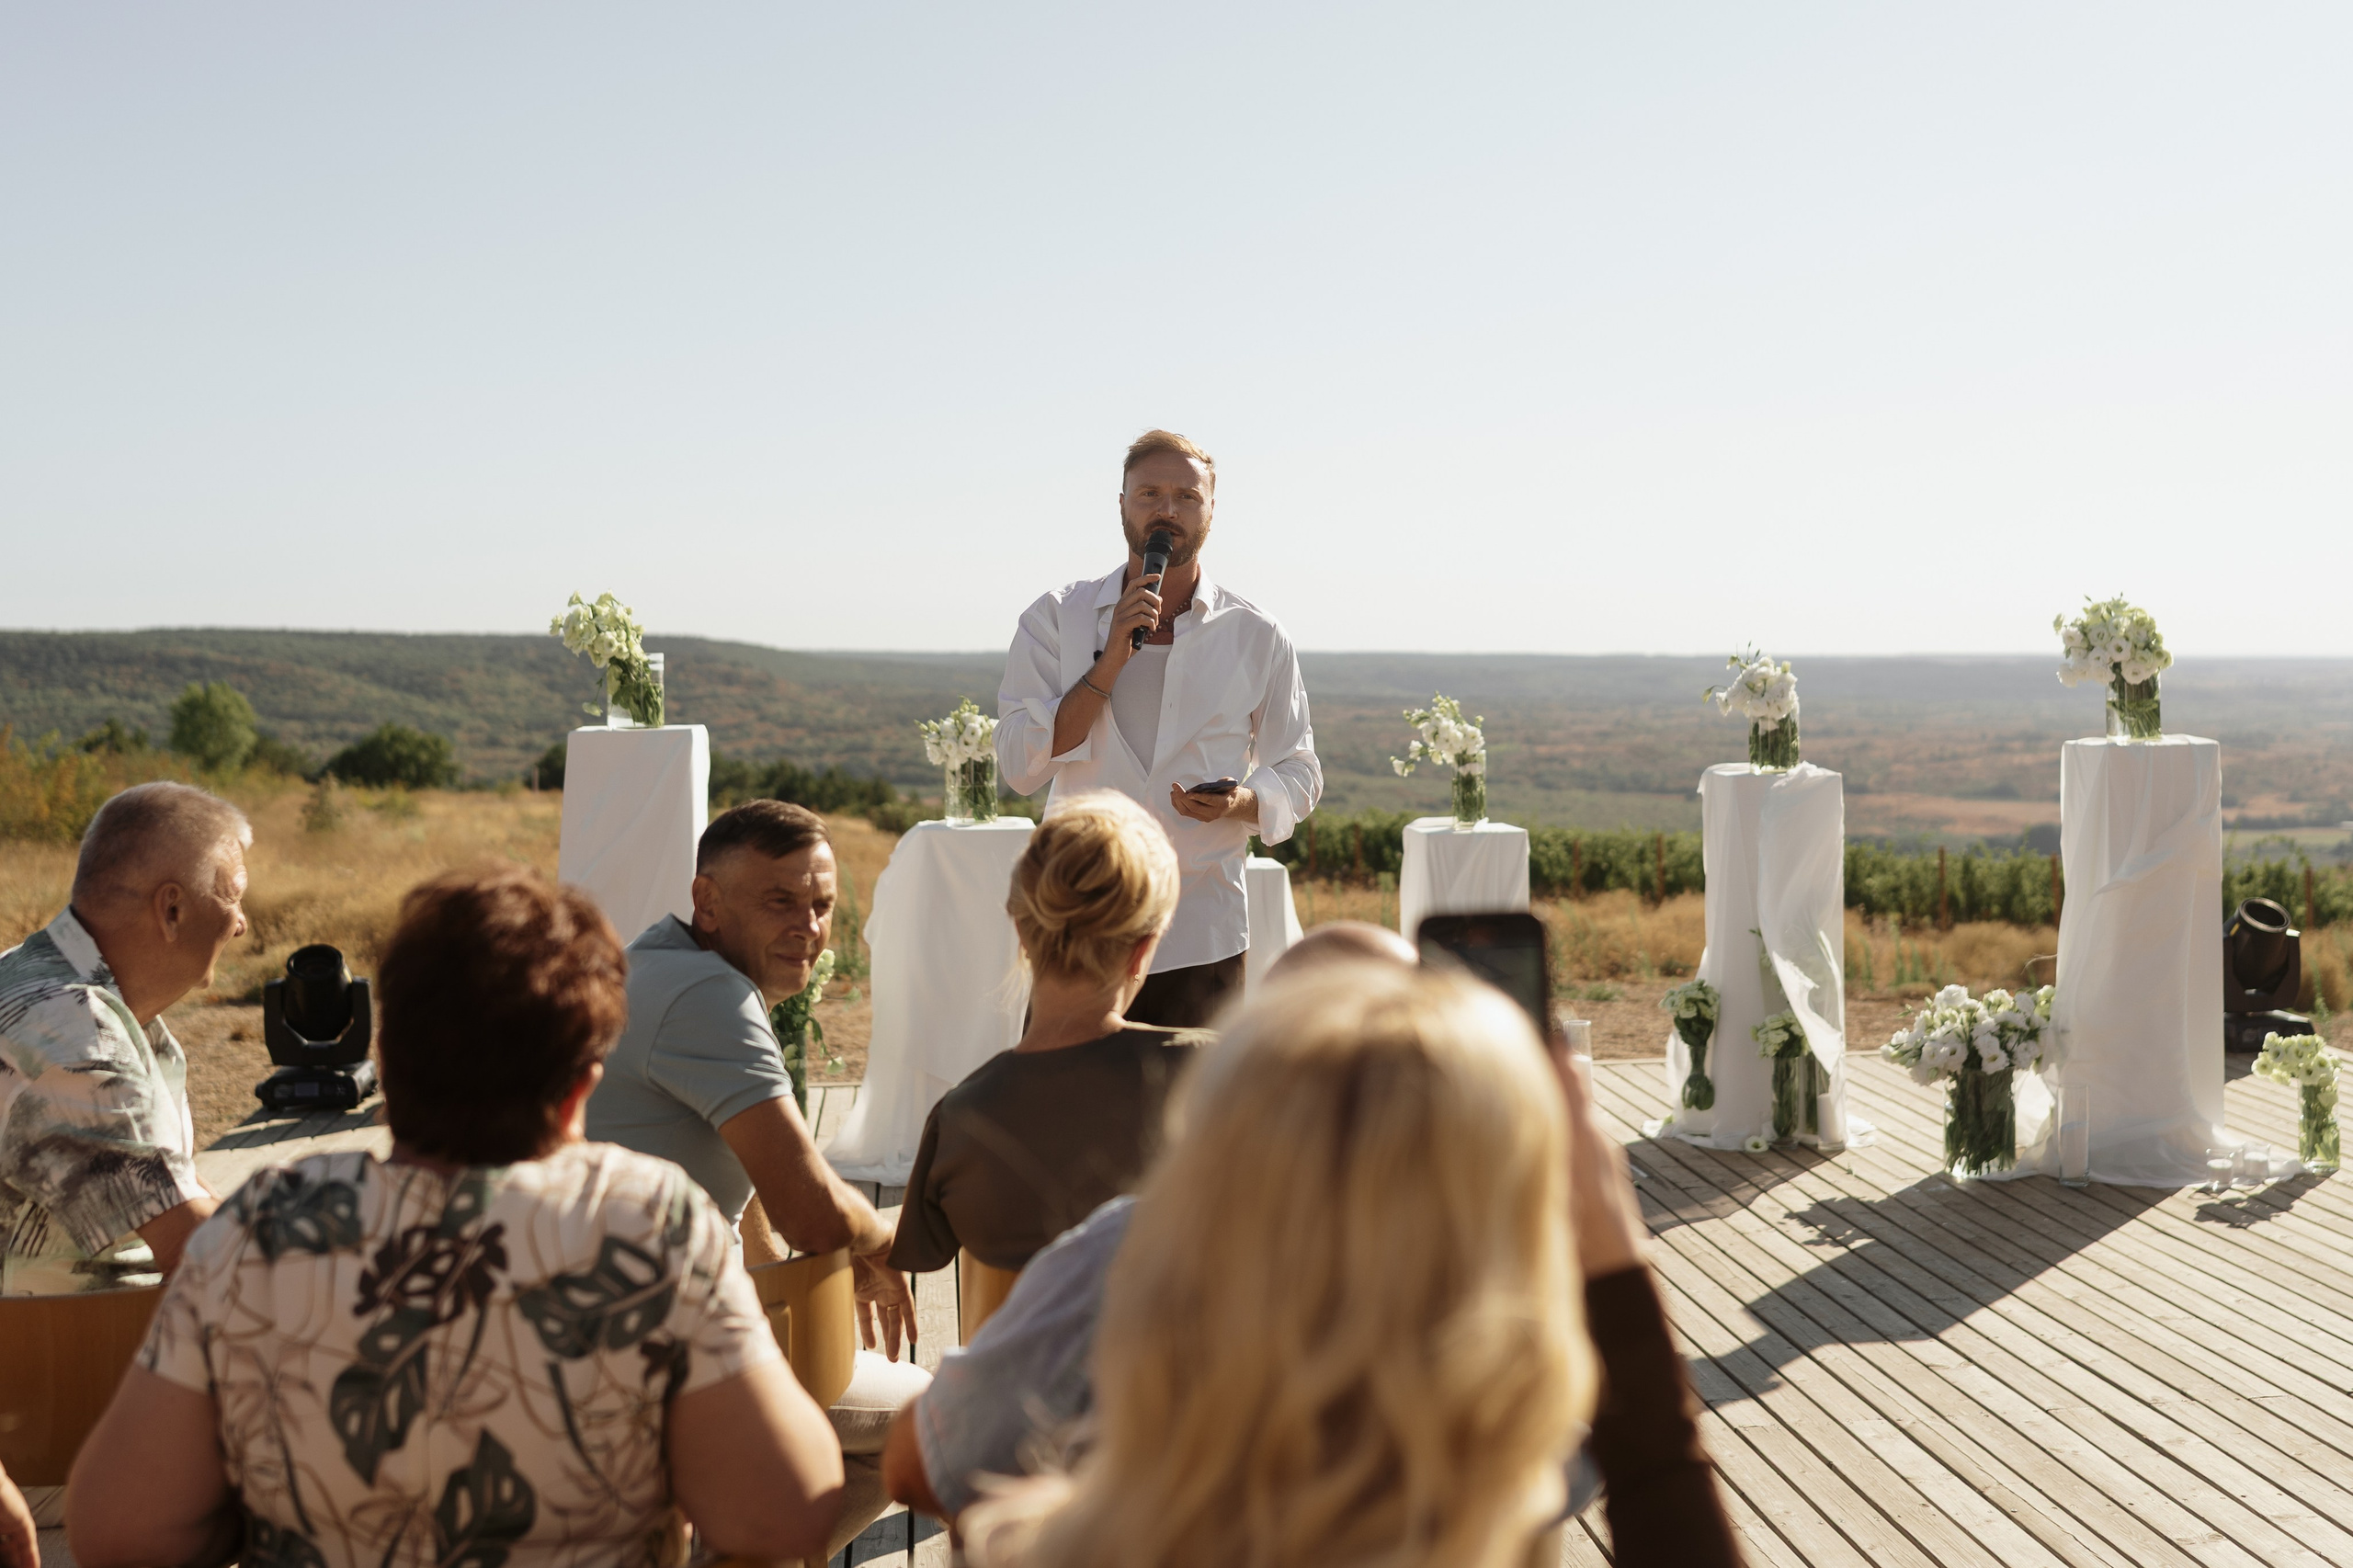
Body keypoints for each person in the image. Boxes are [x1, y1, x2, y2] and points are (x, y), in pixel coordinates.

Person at [64, 866, 845, 1568]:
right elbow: (786, 1513)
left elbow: (120, 1531)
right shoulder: (648, 1221)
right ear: (583, 1086)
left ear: (389, 1067)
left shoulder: (261, 1226)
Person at [888, 933, 1744, 1567]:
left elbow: (924, 1465)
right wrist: (1612, 1269)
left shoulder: (1131, 1250)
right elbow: (1600, 1471)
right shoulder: (1491, 1307)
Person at [583, 799, 926, 1557]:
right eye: (780, 901)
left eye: (823, 905)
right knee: (933, 1423)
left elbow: (752, 1194)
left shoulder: (659, 962)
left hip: (600, 1329)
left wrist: (811, 1296)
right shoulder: (711, 996)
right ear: (708, 902)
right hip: (647, 1360)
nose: (807, 926)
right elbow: (815, 1216)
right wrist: (887, 1239)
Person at [996, 428, 1322, 1028]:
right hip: (1078, 922)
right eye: (1149, 493)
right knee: (1069, 1116)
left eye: (1186, 496)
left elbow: (1299, 769)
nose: (1167, 510)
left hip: (1201, 927)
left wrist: (1245, 801)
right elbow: (1020, 765)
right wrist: (1112, 657)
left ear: (1211, 510)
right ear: (1121, 503)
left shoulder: (1257, 635)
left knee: (1194, 1121)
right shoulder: (1055, 619)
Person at [889, 792, 1195, 1279]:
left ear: (1022, 931)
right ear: (1142, 950)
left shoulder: (962, 1118)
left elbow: (916, 1256)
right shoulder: (1216, 1075)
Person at [1, 781, 248, 1298]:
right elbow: (197, 1252)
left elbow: (176, 1194)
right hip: (45, 1366)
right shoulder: (69, 1030)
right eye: (233, 897)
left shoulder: (38, 982)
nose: (241, 924)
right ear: (172, 910)